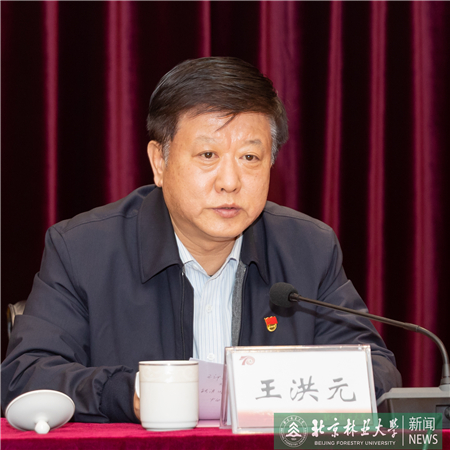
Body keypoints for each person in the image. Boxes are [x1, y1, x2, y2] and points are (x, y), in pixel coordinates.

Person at [1, 57, 401, 423]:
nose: (230, 182)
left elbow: (376, 370)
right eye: (208, 155)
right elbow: (25, 375)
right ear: (160, 161)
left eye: (249, 158)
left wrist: (281, 389)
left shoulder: (308, 249)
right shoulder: (83, 249)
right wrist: (133, 392)